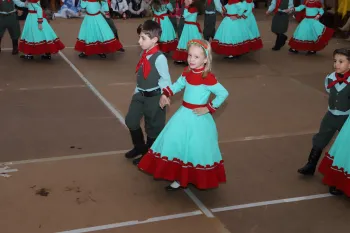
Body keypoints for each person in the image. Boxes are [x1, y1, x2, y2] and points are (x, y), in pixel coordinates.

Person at [138, 39, 229, 191]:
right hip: (182, 116)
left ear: (206, 59)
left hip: (198, 119)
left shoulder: (207, 77)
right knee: (176, 143)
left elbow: (223, 93)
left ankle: (192, 177)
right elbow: (178, 85)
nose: (191, 60)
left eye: (196, 57)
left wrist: (209, 107)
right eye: (190, 56)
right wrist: (166, 93)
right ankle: (180, 178)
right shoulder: (187, 72)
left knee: (195, 148)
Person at [125, 20, 172, 166]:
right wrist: (136, 92)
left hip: (154, 97)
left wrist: (165, 95)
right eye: (139, 37)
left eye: (143, 38)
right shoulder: (145, 54)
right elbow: (141, 76)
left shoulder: (160, 58)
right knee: (131, 121)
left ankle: (149, 155)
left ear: (154, 40)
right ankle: (139, 147)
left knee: (153, 128)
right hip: (140, 94)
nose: (139, 41)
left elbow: (166, 79)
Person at [298, 48, 350, 176]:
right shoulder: (330, 78)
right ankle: (311, 165)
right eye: (335, 61)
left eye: (341, 61)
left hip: (346, 118)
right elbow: (330, 92)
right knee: (320, 138)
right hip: (331, 115)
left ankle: (340, 174)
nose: (336, 64)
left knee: (344, 145)